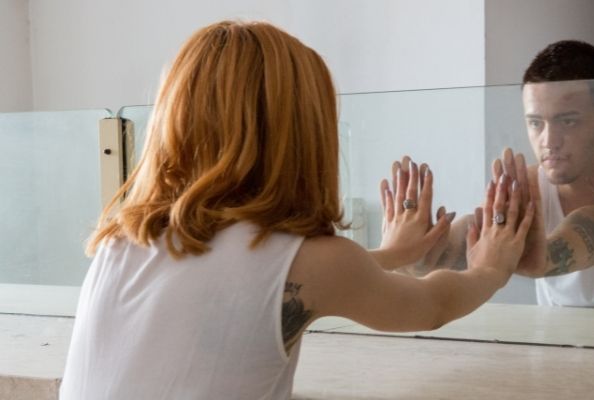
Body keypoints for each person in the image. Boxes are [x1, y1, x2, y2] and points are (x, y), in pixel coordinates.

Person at [60, 20, 533, 400]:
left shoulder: (122, 240)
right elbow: (430, 307)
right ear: (303, 134)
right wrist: (491, 267)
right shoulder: (316, 263)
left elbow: (251, 283)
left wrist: (388, 254)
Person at [420, 40, 594, 311]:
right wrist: (421, 249)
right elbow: (473, 231)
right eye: (536, 123)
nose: (549, 141)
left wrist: (542, 257)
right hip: (559, 351)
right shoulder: (529, 185)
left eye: (567, 121)